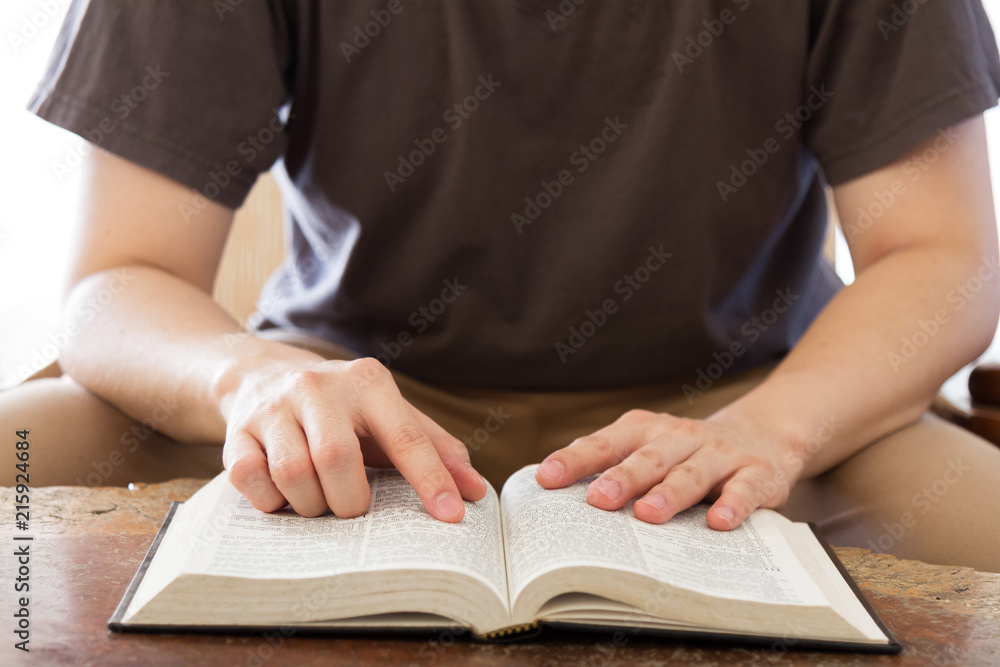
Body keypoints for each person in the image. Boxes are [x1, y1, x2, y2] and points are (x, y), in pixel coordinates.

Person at [5, 0, 1000, 572]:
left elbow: (940, 257)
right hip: (346, 404)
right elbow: (116, 282)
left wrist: (773, 431)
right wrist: (246, 380)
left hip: (750, 407)